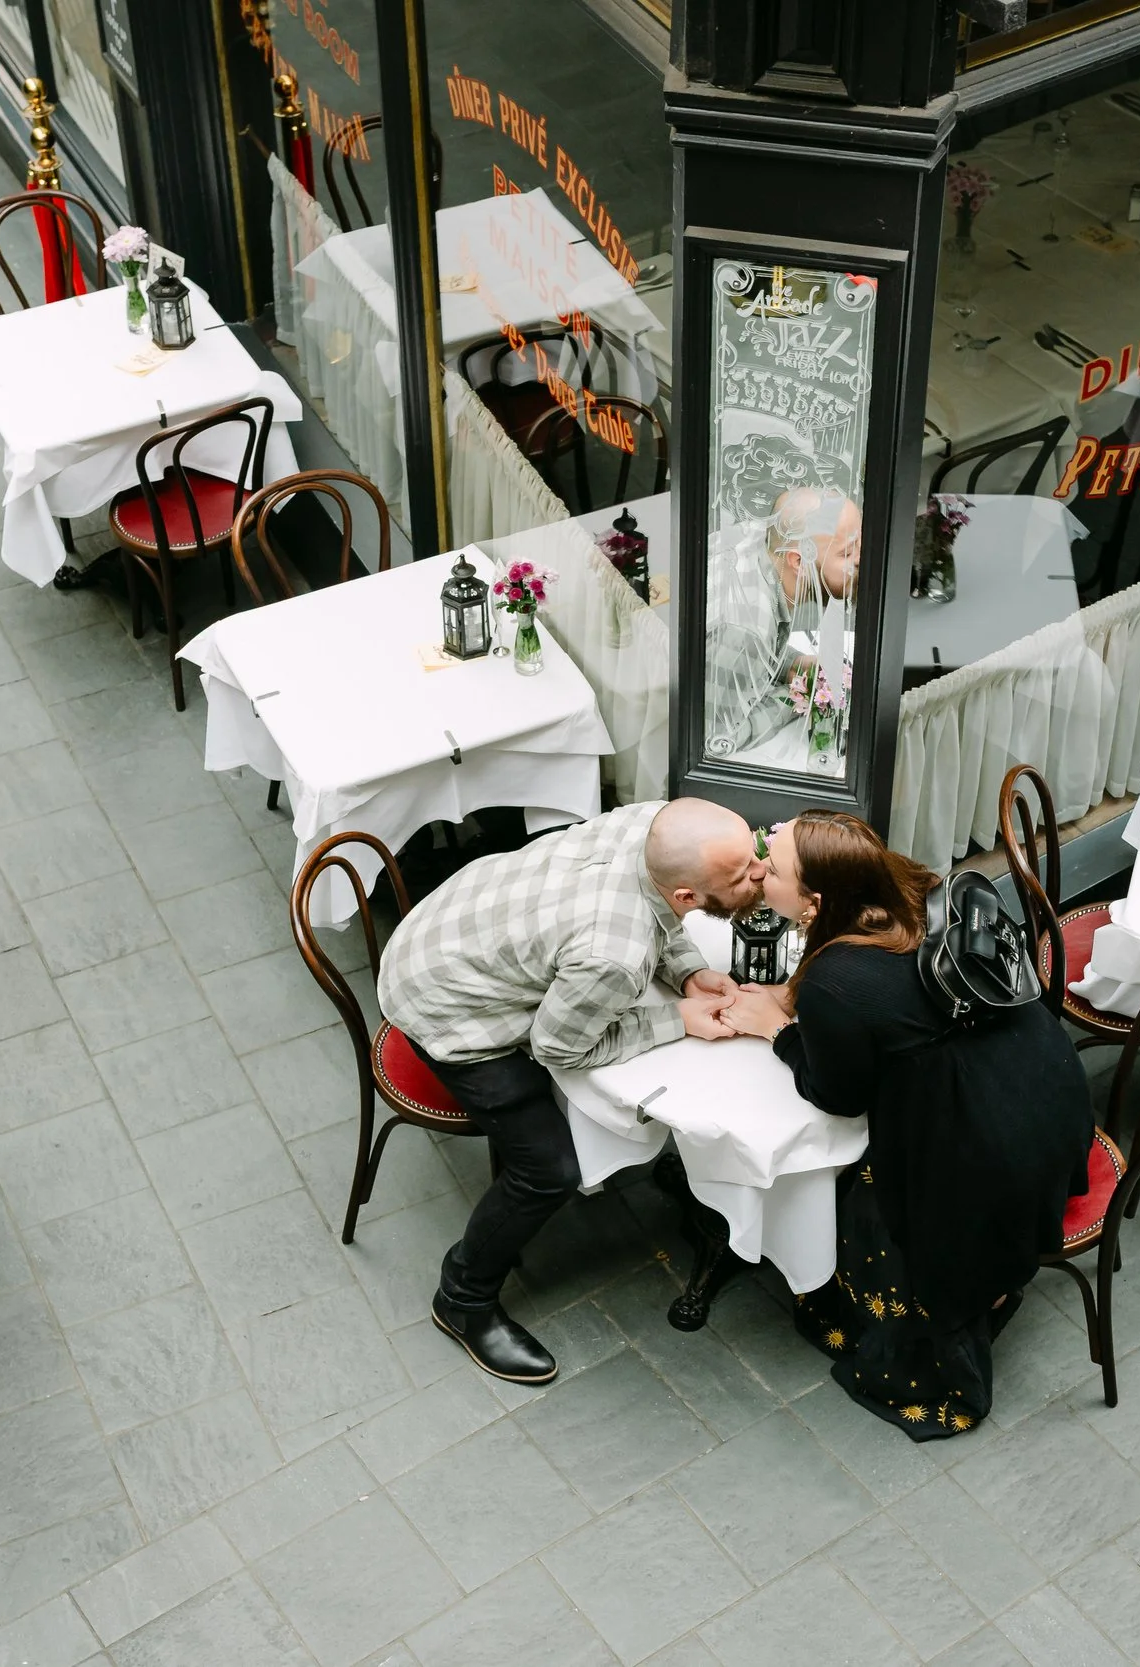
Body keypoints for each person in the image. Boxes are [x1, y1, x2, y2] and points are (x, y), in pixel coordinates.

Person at [721, 812, 1093, 1438]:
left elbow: (836, 1095)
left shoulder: (836, 981)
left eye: (772, 866)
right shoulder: (913, 887)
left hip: (985, 1154)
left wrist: (777, 1029)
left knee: (865, 1202)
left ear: (813, 902)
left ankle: (935, 1312)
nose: (758, 871)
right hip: (1050, 1094)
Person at [379, 799, 769, 1383]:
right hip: (446, 1010)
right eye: (741, 877)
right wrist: (680, 1019)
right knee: (548, 1169)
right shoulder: (616, 954)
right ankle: (462, 1299)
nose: (760, 873)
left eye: (754, 857)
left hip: (448, 928)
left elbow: (659, 906)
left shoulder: (655, 825)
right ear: (688, 896)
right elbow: (559, 1048)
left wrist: (685, 970)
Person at [703, 485, 862, 757]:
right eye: (846, 554)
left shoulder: (757, 537)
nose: (861, 560)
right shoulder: (745, 631)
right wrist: (798, 695)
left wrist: (793, 663)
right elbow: (717, 739)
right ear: (798, 561)